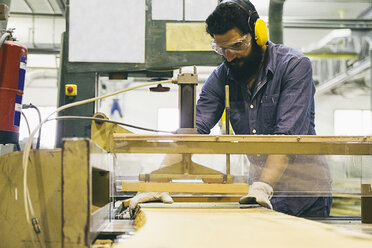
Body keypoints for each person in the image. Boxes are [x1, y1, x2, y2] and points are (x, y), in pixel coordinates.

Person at [128, 0, 332, 218]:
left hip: (304, 195)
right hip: (258, 194)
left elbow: (287, 138)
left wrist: (263, 187)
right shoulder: (222, 76)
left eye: (237, 46)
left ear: (257, 34)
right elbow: (192, 131)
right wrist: (158, 182)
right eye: (221, 49)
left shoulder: (294, 67)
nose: (229, 56)